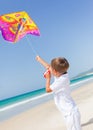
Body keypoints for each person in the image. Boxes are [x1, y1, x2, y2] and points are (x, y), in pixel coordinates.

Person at [36, 55, 82, 130]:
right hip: (67, 113)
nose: (50, 69)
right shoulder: (61, 73)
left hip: (71, 113)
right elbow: (48, 66)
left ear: (55, 72)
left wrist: (48, 78)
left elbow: (48, 89)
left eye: (52, 69)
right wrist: (39, 59)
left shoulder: (62, 80)